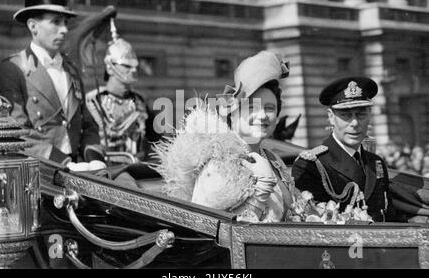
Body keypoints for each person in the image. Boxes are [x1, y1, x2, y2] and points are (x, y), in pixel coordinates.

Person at [153, 50, 293, 222]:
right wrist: (261, 190)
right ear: (233, 113)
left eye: (270, 108)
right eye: (252, 108)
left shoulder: (274, 160)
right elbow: (204, 227)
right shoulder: (219, 162)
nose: (262, 115)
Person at [0, 0, 102, 164]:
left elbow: (88, 125)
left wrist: (94, 159)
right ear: (33, 26)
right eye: (56, 22)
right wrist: (64, 164)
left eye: (66, 22)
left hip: (80, 169)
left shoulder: (71, 71)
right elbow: (16, 134)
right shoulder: (12, 69)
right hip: (38, 171)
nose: (64, 29)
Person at [292, 77, 395, 222]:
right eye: (345, 115)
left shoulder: (376, 162)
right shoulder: (310, 165)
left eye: (361, 115)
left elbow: (388, 215)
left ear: (369, 117)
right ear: (331, 117)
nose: (354, 123)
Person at [86, 19, 158, 161]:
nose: (133, 70)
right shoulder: (93, 101)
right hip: (107, 172)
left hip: (139, 168)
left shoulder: (140, 102)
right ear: (109, 67)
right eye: (127, 66)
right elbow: (89, 145)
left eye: (134, 66)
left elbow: (154, 141)